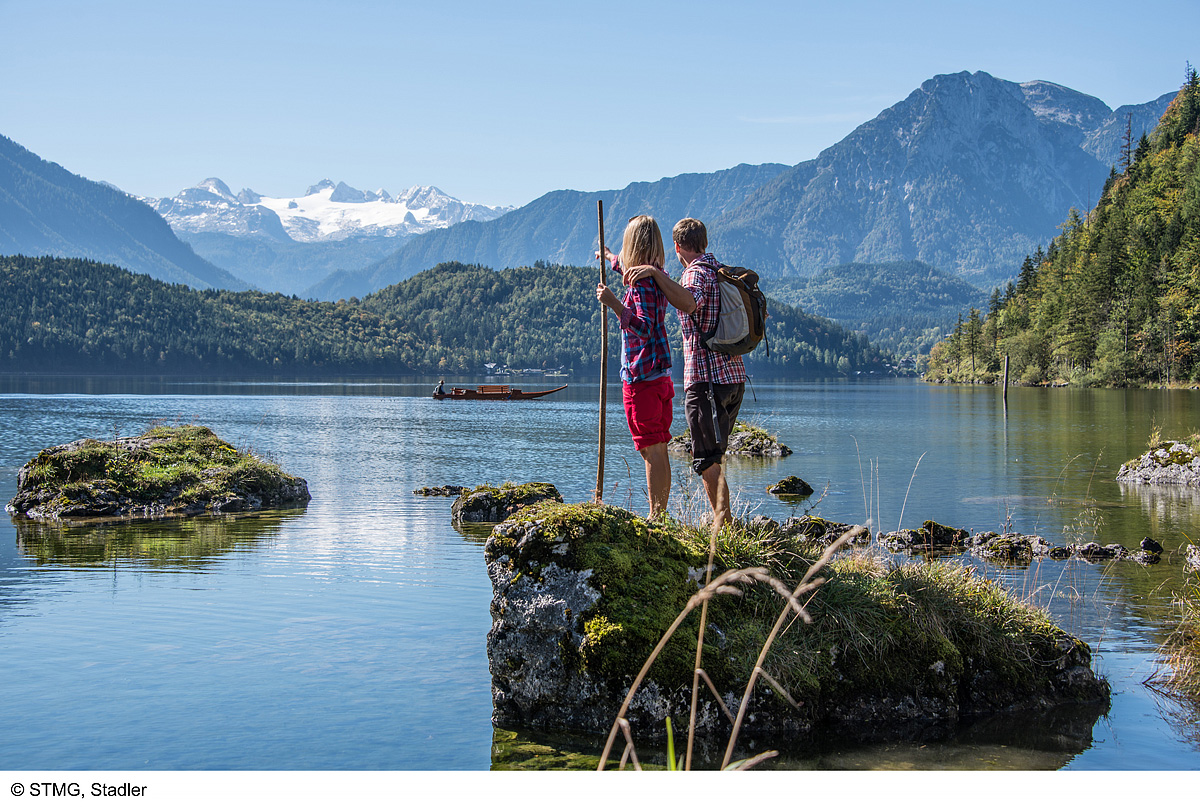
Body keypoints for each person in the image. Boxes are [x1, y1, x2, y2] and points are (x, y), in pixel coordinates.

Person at [623, 217, 745, 532]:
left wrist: (651, 272)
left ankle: (725, 530)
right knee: (713, 457)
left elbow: (689, 302)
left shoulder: (694, 274)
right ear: (703, 242)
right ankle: (724, 524)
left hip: (706, 381)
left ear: (677, 247)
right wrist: (613, 257)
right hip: (732, 378)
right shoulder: (719, 270)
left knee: (706, 462)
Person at [595, 215, 674, 519]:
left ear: (634, 245)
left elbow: (645, 327)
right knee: (657, 446)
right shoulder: (656, 276)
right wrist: (609, 256)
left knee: (651, 448)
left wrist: (614, 303)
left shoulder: (641, 285)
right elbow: (624, 267)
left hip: (642, 377)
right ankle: (661, 514)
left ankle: (657, 517)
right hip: (659, 376)